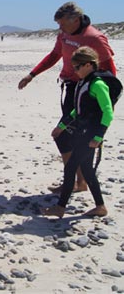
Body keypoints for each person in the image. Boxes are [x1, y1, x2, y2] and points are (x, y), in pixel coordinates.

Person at [18, 2, 116, 193]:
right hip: (70, 88)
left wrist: (106, 101)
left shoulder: (95, 38)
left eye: (63, 24)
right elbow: (55, 54)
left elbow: (110, 70)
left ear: (76, 20)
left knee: (69, 136)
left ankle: (76, 182)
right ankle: (78, 182)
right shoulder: (64, 34)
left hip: (88, 92)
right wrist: (32, 75)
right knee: (69, 135)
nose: (60, 28)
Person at [41, 46, 115, 218]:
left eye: (77, 67)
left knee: (71, 168)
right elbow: (78, 110)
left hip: (90, 135)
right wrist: (63, 126)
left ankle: (60, 208)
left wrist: (98, 137)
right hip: (82, 132)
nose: (75, 71)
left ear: (89, 65)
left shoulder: (98, 84)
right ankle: (100, 207)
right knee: (88, 171)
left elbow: (108, 112)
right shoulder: (84, 82)